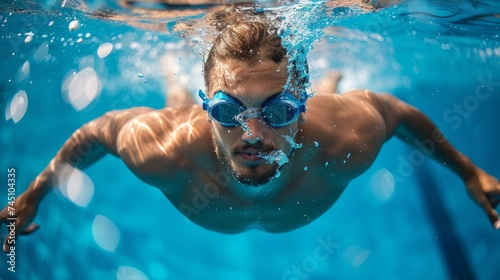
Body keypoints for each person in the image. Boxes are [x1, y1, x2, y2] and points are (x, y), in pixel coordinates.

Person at [1, 20, 499, 252]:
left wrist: (468, 172)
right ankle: (178, 81)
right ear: (209, 105)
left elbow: (397, 113)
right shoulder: (164, 148)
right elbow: (97, 132)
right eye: (226, 109)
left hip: (317, 106)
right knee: (174, 107)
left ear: (297, 104)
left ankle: (323, 85)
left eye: (280, 109)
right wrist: (34, 193)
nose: (252, 133)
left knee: (330, 93)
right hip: (187, 121)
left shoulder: (346, 137)